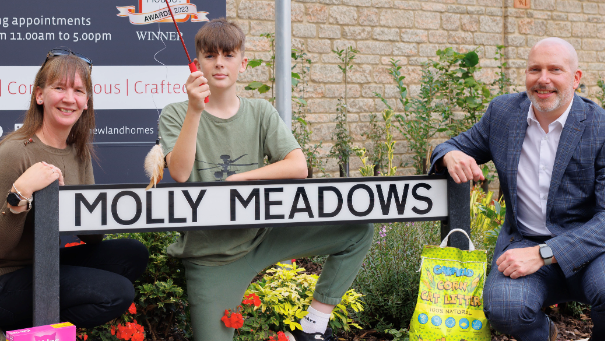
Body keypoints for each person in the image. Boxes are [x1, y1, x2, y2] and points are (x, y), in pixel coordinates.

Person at [158, 18, 373, 341]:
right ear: (197, 62)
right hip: (210, 255)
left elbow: (298, 165)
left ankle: (313, 328)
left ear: (243, 64)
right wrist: (194, 110)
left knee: (357, 230)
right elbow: (180, 172)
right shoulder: (176, 113)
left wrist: (242, 178)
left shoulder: (260, 111)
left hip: (263, 234)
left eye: (228, 55)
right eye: (210, 56)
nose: (219, 63)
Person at [430, 37, 605, 341]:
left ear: (576, 79)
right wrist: (449, 154)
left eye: (555, 70)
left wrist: (545, 253)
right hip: (523, 242)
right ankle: (543, 335)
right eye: (534, 69)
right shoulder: (503, 113)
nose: (543, 79)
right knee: (504, 308)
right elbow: (455, 145)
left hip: (590, 250)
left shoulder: (599, 126)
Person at [0, 49, 149, 334]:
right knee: (117, 292)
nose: (70, 98)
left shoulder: (78, 152)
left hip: (43, 264)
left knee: (132, 253)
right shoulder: (13, 152)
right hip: (6, 278)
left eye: (79, 91)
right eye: (59, 88)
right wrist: (20, 194)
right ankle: (29, 333)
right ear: (40, 95)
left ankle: (33, 327)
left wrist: (75, 206)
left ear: (86, 102)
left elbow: (92, 237)